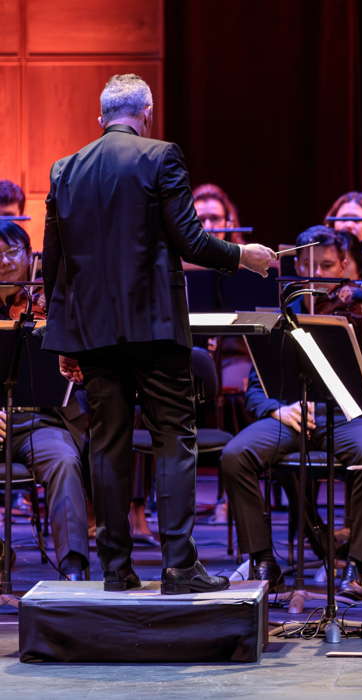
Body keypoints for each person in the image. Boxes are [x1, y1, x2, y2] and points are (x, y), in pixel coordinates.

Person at [42, 74, 276, 594]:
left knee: (107, 447)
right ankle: (179, 566)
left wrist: (62, 341)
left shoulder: (64, 170)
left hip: (93, 334)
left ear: (99, 116)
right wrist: (244, 256)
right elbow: (190, 240)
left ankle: (117, 570)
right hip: (155, 328)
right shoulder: (161, 156)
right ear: (147, 112)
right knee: (175, 440)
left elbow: (53, 265)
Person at [220, 226, 362, 598]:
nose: (316, 275)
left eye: (326, 266)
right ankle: (263, 562)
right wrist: (277, 410)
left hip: (352, 418)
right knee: (234, 456)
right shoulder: (286, 311)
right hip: (296, 416)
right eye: (308, 266)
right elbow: (256, 387)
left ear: (344, 265)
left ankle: (354, 566)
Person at [0, 221, 91, 580]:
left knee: (64, 460)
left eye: (12, 252)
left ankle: (73, 568)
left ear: (29, 255)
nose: (4, 262)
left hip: (41, 420)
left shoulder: (51, 300)